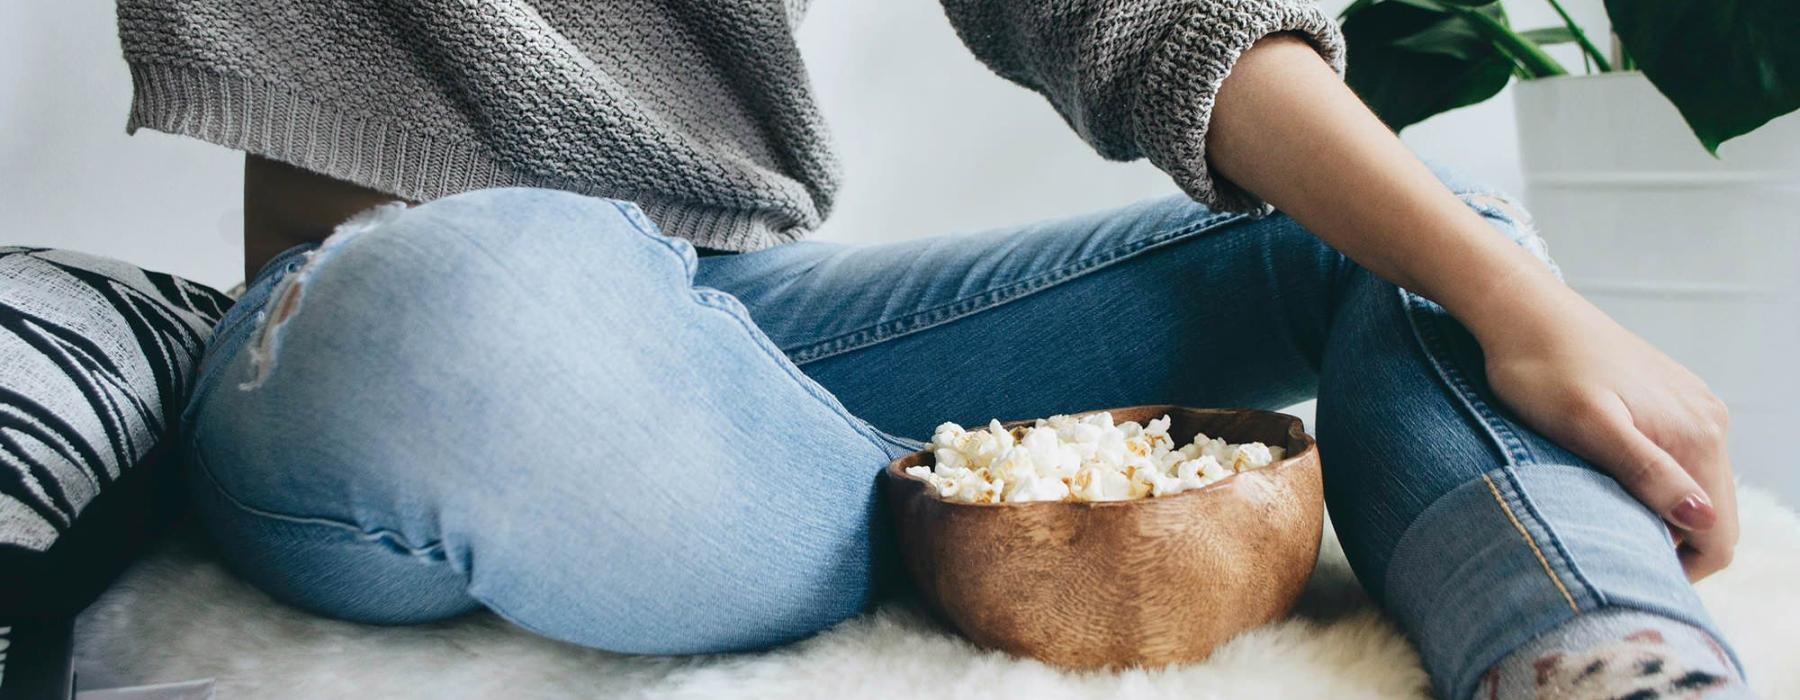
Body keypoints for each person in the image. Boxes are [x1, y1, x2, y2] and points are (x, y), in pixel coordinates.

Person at [118, 1, 1747, 697]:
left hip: (726, 326)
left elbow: (1139, 12)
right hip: (378, 344)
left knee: (1429, 222)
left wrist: (1524, 301)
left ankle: (1594, 652)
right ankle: (935, 520)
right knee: (481, 289)